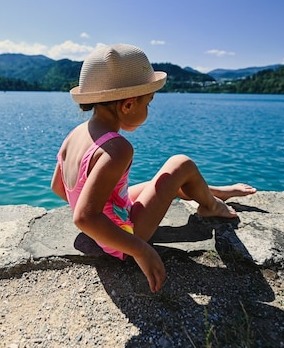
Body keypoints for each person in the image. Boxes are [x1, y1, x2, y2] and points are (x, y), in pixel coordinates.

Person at [51, 44, 256, 293]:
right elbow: (84, 217)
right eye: (148, 103)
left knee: (159, 182)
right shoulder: (117, 148)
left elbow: (58, 187)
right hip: (123, 237)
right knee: (180, 164)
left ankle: (212, 192)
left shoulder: (76, 134)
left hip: (106, 228)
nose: (148, 108)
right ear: (128, 105)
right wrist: (140, 249)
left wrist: (99, 211)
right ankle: (211, 205)